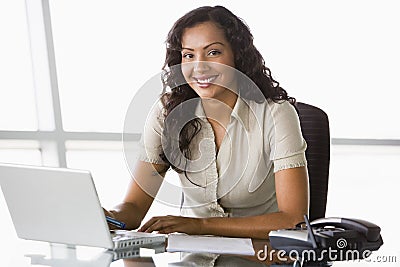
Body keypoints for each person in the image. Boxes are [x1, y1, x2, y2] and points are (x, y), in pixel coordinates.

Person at [104, 5, 309, 239]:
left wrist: (200, 226)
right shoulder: (167, 113)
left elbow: (293, 219)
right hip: (193, 258)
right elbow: (133, 208)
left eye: (213, 52)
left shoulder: (276, 114)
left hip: (260, 258)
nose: (199, 67)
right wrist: (108, 216)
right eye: (189, 55)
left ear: (237, 55)